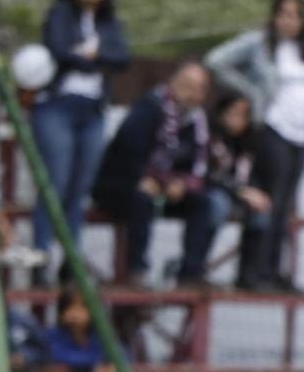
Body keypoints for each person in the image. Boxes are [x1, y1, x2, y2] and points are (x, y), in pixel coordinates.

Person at [206, 0, 304, 292]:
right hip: (273, 130)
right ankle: (255, 273)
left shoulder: (303, 52)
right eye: (284, 13)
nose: (290, 20)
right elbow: (215, 61)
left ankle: (275, 270)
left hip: (302, 135)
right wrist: (253, 93)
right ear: (273, 17)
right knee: (270, 201)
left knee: (286, 207)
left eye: (296, 15)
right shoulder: (257, 44)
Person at [30, 0, 130, 280]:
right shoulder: (60, 13)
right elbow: (58, 50)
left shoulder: (109, 22)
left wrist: (91, 57)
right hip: (57, 106)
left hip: (93, 111)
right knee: (54, 183)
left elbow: (122, 58)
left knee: (79, 188)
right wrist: (94, 59)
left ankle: (70, 260)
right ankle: (40, 255)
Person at [92, 61, 220, 288]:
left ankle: (190, 272)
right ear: (173, 82)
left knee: (203, 203)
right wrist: (148, 180)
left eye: (199, 88)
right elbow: (127, 153)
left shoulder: (197, 121)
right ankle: (136, 271)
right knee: (141, 199)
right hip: (121, 184)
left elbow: (198, 164)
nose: (192, 93)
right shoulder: (149, 108)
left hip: (165, 185)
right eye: (187, 85)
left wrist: (180, 183)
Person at [205, 93, 273, 291]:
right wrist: (240, 191)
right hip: (212, 192)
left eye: (244, 115)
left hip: (237, 194)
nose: (238, 120)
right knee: (217, 205)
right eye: (234, 113)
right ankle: (194, 267)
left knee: (262, 210)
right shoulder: (210, 137)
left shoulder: (250, 142)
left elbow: (254, 175)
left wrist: (256, 194)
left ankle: (248, 275)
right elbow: (208, 175)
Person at [40, 285, 119, 372]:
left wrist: (111, 368)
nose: (75, 313)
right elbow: (58, 355)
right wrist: (93, 367)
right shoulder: (53, 336)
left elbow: (122, 357)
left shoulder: (101, 337)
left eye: (82, 308)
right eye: (70, 307)